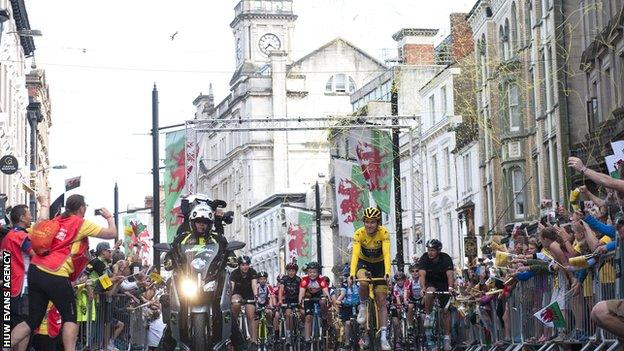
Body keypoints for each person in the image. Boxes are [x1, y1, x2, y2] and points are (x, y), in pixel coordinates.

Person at [10, 194, 118, 351]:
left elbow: (36, 227)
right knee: (70, 316)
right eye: (85, 206)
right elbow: (112, 233)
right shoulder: (80, 223)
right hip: (55, 272)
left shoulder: (55, 221)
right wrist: (109, 217)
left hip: (35, 270)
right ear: (82, 208)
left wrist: (44, 205)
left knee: (33, 320)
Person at [349, 207, 391, 350]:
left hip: (379, 264)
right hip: (364, 263)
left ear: (377, 223)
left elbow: (386, 254)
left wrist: (387, 272)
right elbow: (354, 255)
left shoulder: (384, 233)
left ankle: (384, 337)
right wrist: (351, 274)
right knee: (363, 282)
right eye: (367, 222)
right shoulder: (359, 233)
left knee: (381, 301)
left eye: (372, 222)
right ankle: (362, 305)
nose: (369, 225)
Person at [1, 204, 35, 351]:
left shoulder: (7, 237)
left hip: (9, 285)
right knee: (25, 324)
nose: (31, 216)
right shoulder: (21, 236)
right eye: (29, 214)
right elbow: (36, 256)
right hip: (21, 286)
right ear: (22, 218)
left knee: (11, 325)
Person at [418, 239, 454, 351]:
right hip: (430, 282)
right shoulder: (424, 258)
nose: (430, 253)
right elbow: (422, 275)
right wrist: (423, 288)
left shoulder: (446, 258)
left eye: (432, 250)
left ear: (438, 251)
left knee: (445, 311)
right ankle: (428, 315)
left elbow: (450, 276)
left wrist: (451, 288)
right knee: (430, 291)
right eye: (428, 250)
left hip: (443, 283)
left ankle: (447, 338)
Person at [298, 261, 331, 347]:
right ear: (307, 272)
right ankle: (307, 339)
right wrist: (300, 303)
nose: (312, 274)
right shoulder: (304, 279)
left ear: (318, 272)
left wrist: (329, 299)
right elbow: (301, 293)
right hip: (309, 297)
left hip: (319, 296)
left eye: (314, 272)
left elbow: (325, 291)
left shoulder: (321, 279)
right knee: (308, 317)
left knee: (323, 301)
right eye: (310, 272)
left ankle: (324, 318)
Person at [231, 255, 258, 349]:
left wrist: (256, 295)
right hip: (237, 293)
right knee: (235, 303)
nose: (245, 267)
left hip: (249, 294)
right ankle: (234, 324)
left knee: (251, 315)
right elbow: (231, 287)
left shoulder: (253, 272)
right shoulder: (234, 273)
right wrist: (230, 297)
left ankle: (254, 341)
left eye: (247, 264)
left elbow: (254, 284)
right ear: (239, 265)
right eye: (242, 265)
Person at [336, 271, 360, 351]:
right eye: (348, 277)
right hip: (347, 306)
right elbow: (342, 295)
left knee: (362, 318)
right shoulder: (344, 285)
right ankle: (347, 343)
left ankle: (364, 337)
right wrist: (339, 301)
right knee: (347, 323)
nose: (350, 279)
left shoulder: (358, 284)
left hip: (357, 304)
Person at [278, 261, 301, 341]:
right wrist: (280, 300)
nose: (291, 272)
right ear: (287, 271)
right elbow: (281, 290)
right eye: (289, 271)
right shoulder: (284, 279)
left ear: (296, 271)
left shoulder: (298, 279)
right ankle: (288, 334)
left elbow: (302, 291)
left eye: (293, 270)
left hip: (297, 299)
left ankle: (301, 330)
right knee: (288, 314)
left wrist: (301, 301)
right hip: (288, 300)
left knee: (302, 313)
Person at [390, 272, 407, 349]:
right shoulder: (395, 287)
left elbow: (406, 294)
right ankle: (397, 340)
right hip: (396, 305)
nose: (400, 281)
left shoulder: (406, 286)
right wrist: (399, 304)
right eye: (398, 280)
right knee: (396, 323)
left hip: (405, 304)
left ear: (404, 280)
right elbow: (396, 297)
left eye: (401, 280)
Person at [405, 263, 422, 332]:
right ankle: (410, 325)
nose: (415, 273)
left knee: (423, 316)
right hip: (412, 298)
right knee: (410, 306)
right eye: (413, 271)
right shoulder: (409, 281)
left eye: (417, 271)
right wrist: (405, 299)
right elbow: (405, 291)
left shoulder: (422, 279)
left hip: (421, 298)